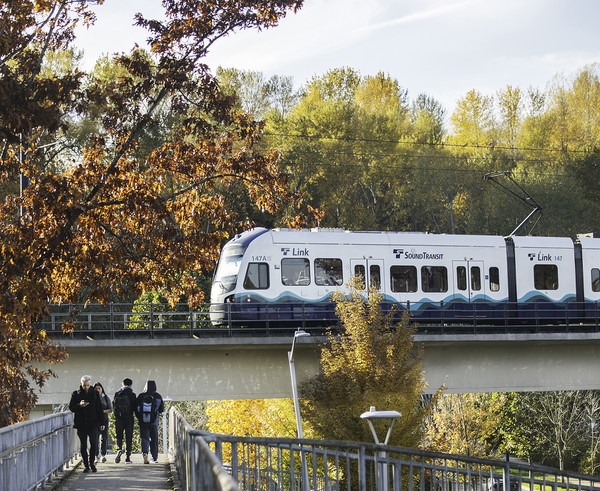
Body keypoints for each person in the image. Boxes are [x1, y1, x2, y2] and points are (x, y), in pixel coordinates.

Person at [69, 374, 104, 473]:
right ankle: (86, 465)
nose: (86, 387)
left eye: (88, 385)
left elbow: (99, 408)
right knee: (83, 445)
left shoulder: (94, 393)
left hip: (93, 423)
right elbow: (71, 408)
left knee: (94, 443)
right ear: (81, 384)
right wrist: (80, 405)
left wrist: (102, 422)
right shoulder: (76, 394)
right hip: (81, 423)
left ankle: (92, 463)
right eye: (84, 385)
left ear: (90, 384)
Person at [135, 380, 164, 464]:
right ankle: (154, 458)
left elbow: (136, 409)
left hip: (143, 422)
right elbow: (161, 409)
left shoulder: (141, 396)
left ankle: (145, 453)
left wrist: (140, 417)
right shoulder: (158, 396)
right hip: (154, 422)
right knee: (154, 439)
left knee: (144, 438)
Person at [113, 377, 136, 464]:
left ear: (122, 384)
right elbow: (134, 407)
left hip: (119, 418)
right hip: (129, 418)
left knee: (119, 436)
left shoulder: (117, 393)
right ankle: (128, 457)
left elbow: (114, 406)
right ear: (131, 385)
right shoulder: (132, 394)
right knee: (128, 437)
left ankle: (119, 449)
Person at [93, 382, 112, 463]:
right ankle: (96, 455)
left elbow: (110, 409)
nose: (97, 390)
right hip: (95, 420)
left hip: (104, 419)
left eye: (99, 388)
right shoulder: (92, 397)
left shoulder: (105, 397)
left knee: (104, 439)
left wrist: (102, 411)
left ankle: (103, 455)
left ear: (101, 389)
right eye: (96, 389)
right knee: (95, 439)